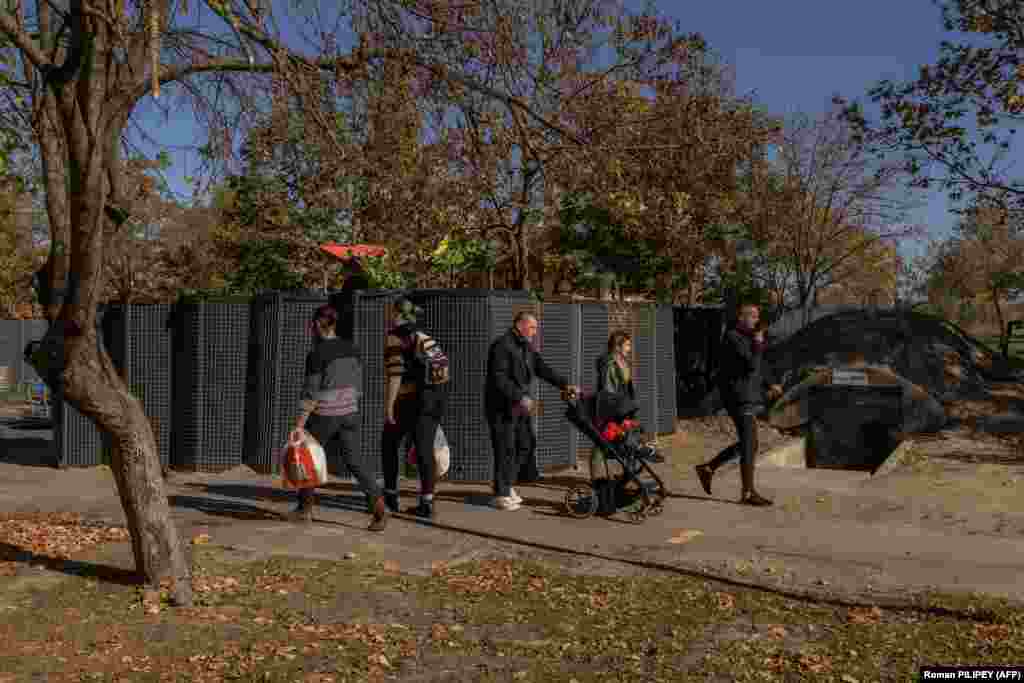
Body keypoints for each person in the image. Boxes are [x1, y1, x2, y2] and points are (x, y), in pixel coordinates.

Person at [289, 304, 388, 530]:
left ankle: (304, 509)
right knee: (355, 462)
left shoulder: (317, 354)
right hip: (350, 412)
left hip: (325, 414)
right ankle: (379, 509)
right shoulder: (352, 348)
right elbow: (360, 384)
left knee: (308, 457)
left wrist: (300, 425)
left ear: (316, 325)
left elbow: (311, 392)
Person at [485, 312, 578, 511]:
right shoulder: (502, 345)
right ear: (520, 325)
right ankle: (500, 493)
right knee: (505, 448)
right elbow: (499, 379)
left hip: (519, 407)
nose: (535, 332)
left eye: (536, 328)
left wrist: (564, 384)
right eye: (532, 327)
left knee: (526, 444)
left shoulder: (525, 346)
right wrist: (520, 397)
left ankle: (506, 484)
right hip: (502, 408)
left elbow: (541, 367)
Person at [694, 302, 773, 506]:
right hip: (737, 396)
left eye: (757, 316)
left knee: (751, 443)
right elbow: (750, 364)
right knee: (749, 443)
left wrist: (769, 383)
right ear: (741, 317)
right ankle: (747, 492)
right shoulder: (733, 337)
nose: (757, 320)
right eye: (753, 316)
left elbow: (757, 366)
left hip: (748, 395)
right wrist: (757, 341)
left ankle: (708, 468)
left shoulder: (746, 337)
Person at [380, 297, 449, 519]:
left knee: (389, 442)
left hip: (413, 399)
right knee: (424, 449)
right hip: (436, 398)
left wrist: (389, 406)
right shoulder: (424, 336)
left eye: (391, 312)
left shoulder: (395, 337)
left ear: (396, 314)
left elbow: (395, 374)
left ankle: (390, 496)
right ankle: (427, 502)